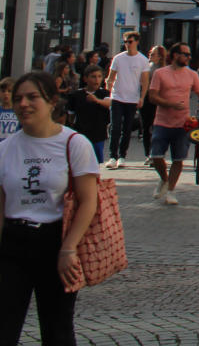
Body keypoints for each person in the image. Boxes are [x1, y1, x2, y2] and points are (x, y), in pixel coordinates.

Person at [0, 71, 99, 346]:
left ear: (52, 101)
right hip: (12, 243)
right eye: (18, 98)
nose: (23, 104)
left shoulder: (73, 144)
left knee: (57, 329)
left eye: (33, 97)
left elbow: (88, 201)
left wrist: (69, 247)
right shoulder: (5, 149)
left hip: (56, 240)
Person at [148, 42, 199, 206]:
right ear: (175, 55)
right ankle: (164, 180)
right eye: (185, 54)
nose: (188, 57)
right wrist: (169, 104)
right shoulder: (160, 73)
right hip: (162, 121)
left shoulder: (192, 74)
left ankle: (171, 190)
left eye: (189, 55)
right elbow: (152, 96)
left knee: (178, 159)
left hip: (183, 123)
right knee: (156, 156)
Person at [104, 33, 151, 170]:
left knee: (127, 128)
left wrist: (142, 97)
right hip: (117, 97)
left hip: (132, 98)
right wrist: (109, 86)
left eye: (130, 41)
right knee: (115, 127)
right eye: (125, 42)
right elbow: (111, 76)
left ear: (136, 42)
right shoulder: (118, 58)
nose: (127, 44)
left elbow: (145, 81)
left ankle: (122, 156)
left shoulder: (142, 60)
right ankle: (112, 156)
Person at [65, 66, 110, 163]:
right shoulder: (76, 95)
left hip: (98, 133)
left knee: (96, 160)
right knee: (81, 159)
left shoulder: (104, 93)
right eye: (93, 77)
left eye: (99, 76)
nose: (96, 80)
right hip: (81, 132)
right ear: (85, 79)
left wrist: (96, 100)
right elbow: (71, 115)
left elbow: (109, 104)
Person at [0, 79, 17, 143]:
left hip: (13, 145)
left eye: (9, 91)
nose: (6, 93)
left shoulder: (18, 111)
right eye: (3, 91)